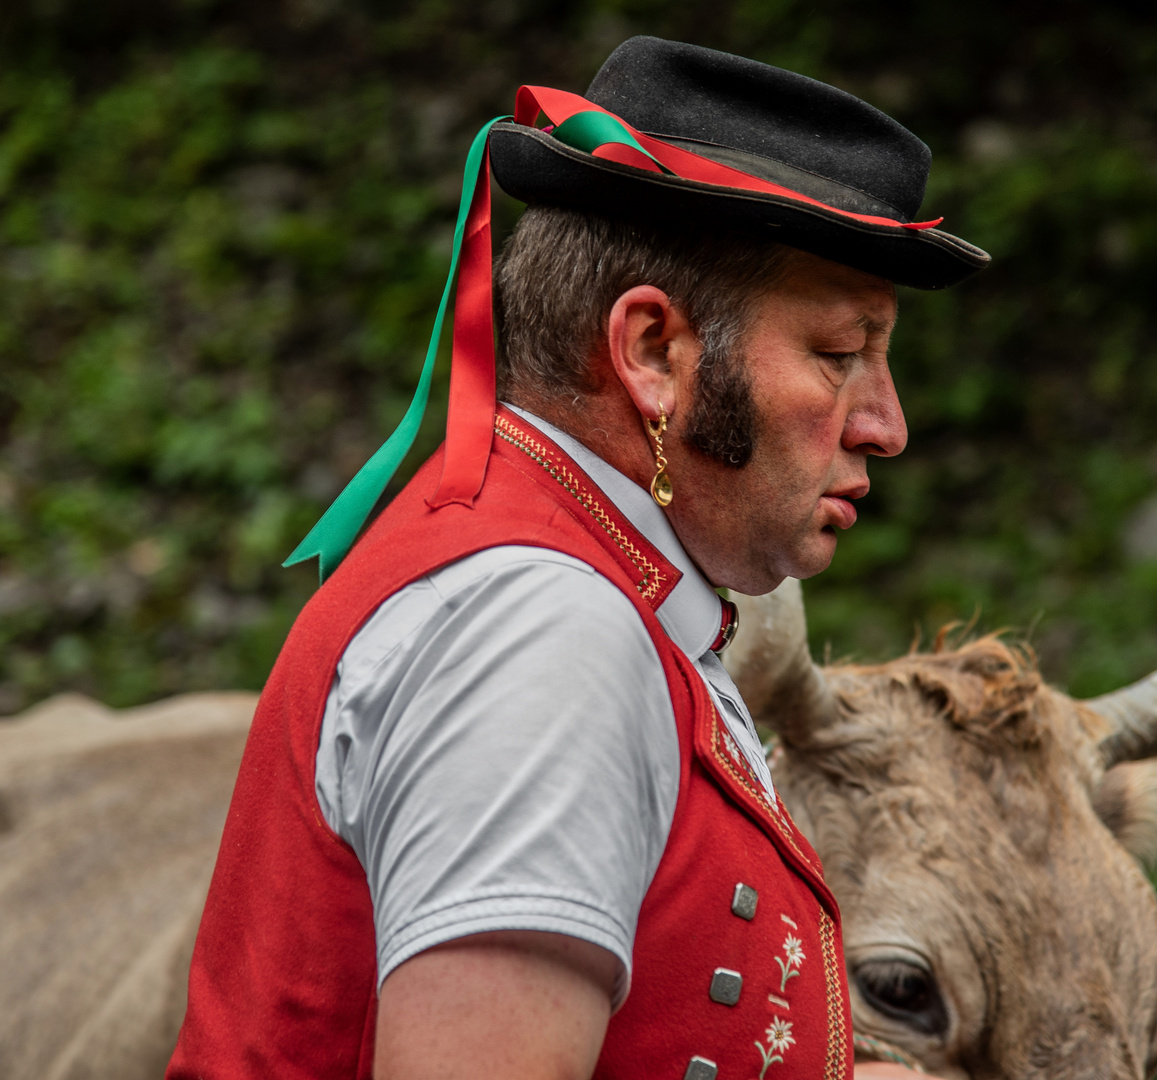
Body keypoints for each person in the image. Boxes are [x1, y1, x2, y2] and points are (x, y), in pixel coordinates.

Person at [167, 36, 988, 1080]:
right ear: (652, 352)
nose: (887, 424)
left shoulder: (572, 580)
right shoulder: (546, 630)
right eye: (838, 355)